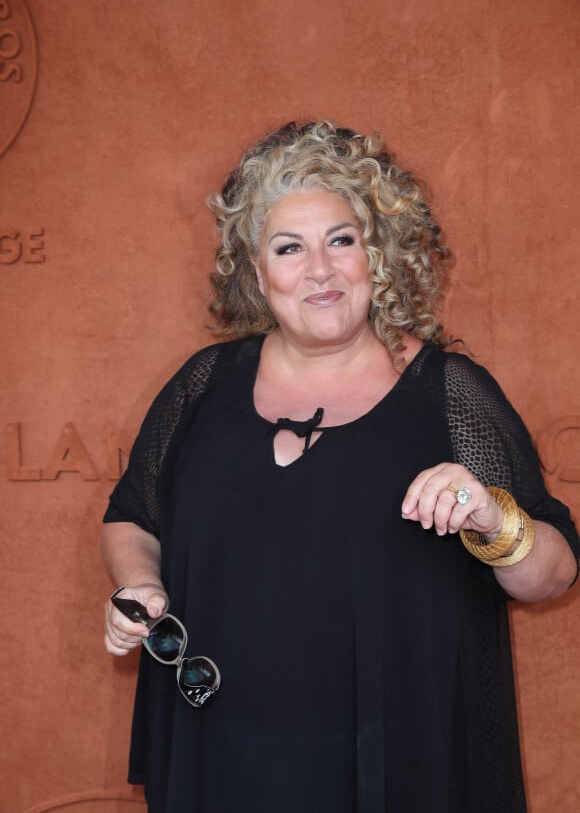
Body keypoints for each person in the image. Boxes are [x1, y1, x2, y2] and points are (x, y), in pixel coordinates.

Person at [102, 120, 579, 813]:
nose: (319, 270)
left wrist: (489, 514)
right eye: (289, 248)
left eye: (341, 240)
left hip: (401, 764)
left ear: (376, 254)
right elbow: (131, 520)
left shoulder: (447, 391)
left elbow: (556, 573)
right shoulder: (203, 385)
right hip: (219, 751)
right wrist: (141, 590)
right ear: (257, 272)